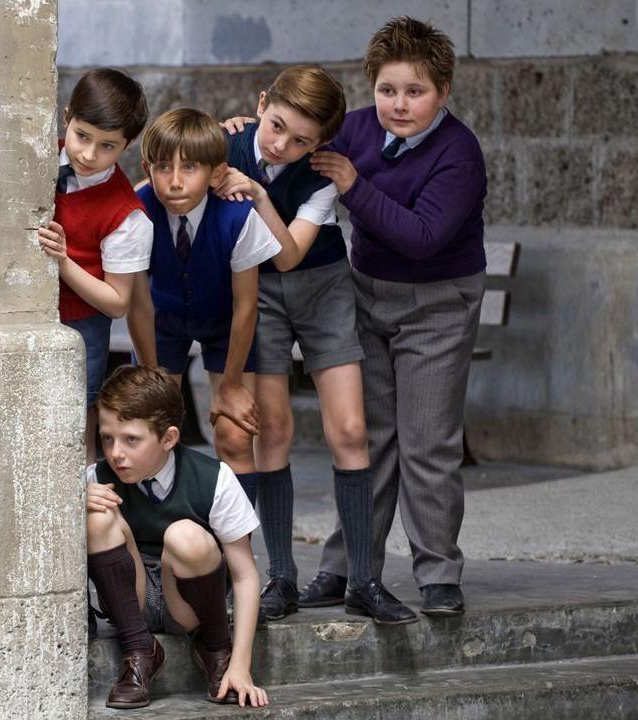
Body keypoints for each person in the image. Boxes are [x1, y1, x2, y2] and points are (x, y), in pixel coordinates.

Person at [213, 66, 417, 624]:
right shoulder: (227, 145)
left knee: (349, 429)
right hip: (256, 292)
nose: (282, 145)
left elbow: (288, 254)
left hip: (322, 286)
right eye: (277, 126)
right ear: (261, 104)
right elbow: (170, 167)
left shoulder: (322, 174)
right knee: (273, 430)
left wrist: (257, 192)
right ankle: (281, 576)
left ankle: (363, 580)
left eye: (302, 140)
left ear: (320, 144)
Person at [309, 17, 487, 617]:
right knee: (365, 438)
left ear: (442, 92)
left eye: (415, 91)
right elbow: (291, 145)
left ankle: (438, 573)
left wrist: (354, 185)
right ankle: (347, 566)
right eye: (387, 90)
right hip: (367, 295)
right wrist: (245, 133)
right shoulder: (357, 128)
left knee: (426, 443)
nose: (399, 105)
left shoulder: (458, 153)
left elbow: (421, 237)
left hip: (438, 303)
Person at [85, 365, 270, 709]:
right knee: (96, 514)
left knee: (184, 535)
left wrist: (241, 664)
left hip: (187, 603)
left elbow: (245, 576)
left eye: (131, 439)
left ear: (168, 438)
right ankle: (140, 651)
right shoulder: (97, 476)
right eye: (107, 438)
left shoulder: (214, 478)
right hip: (132, 599)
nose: (116, 452)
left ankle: (216, 648)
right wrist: (73, 502)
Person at [125, 108, 282, 506]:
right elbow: (138, 304)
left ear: (216, 173)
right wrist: (152, 380)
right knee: (154, 429)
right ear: (147, 169)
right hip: (163, 319)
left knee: (234, 434)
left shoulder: (237, 216)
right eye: (163, 167)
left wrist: (230, 386)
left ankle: (235, 540)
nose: (175, 181)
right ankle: (166, 533)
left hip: (226, 323)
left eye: (190, 167)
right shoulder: (137, 211)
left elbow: (246, 306)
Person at [38, 67, 151, 462]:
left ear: (128, 145)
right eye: (82, 136)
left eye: (107, 146)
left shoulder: (126, 215)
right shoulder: (33, 160)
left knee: (74, 432)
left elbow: (118, 302)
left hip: (82, 329)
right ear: (67, 117)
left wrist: (64, 262)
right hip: (25, 314)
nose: (88, 154)